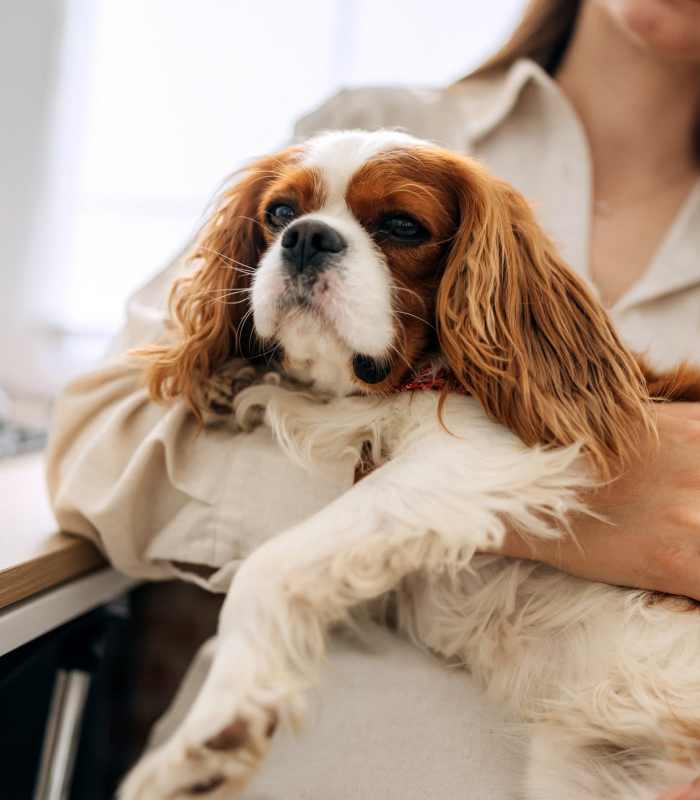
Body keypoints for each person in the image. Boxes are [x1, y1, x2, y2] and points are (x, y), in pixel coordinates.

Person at [46, 0, 700, 797]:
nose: (307, 235)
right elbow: (98, 444)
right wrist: (557, 509)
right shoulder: (371, 124)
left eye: (396, 226)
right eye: (284, 215)